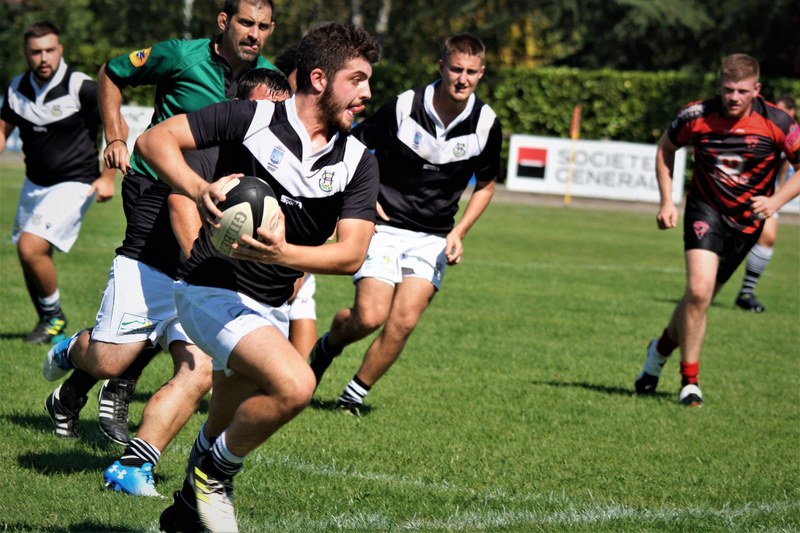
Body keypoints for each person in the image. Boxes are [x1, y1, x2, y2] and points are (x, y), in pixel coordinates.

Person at [136, 21, 380, 532]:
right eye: (356, 80)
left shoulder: (358, 162)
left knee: (223, 414)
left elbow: (352, 254)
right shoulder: (251, 117)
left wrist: (282, 253)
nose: (367, 93)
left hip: (269, 305)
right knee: (296, 385)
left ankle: (183, 511)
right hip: (210, 287)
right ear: (319, 78)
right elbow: (155, 141)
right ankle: (214, 475)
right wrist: (198, 187)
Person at [42, 0, 278, 496]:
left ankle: (133, 466)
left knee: (199, 365)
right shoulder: (180, 55)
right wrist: (116, 132)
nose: (254, 34)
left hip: (217, 213)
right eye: (245, 23)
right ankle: (81, 352)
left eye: (263, 26)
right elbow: (110, 72)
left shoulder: (271, 83)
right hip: (155, 194)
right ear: (224, 22)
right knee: (112, 355)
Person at [308, 33, 502, 417]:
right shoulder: (405, 105)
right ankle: (329, 345)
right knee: (370, 316)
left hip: (432, 237)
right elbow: (354, 145)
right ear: (441, 67)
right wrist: (365, 198)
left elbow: (486, 184)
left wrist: (459, 232)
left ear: (481, 73)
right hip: (383, 227)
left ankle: (353, 396)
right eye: (456, 69)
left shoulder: (485, 123)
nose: (462, 79)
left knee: (404, 320)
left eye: (471, 72)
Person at [635, 54, 800, 407]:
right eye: (727, 90)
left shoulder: (779, 122)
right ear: (718, 87)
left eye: (742, 91)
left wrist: (775, 202)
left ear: (756, 90)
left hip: (747, 223)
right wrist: (667, 201)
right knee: (697, 291)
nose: (734, 97)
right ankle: (689, 382)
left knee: (700, 300)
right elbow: (665, 149)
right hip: (704, 212)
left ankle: (658, 351)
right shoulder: (695, 115)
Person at [0, 21, 117, 344]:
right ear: (27, 53)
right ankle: (47, 320)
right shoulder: (16, 88)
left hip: (76, 182)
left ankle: (55, 317)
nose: (43, 57)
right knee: (30, 255)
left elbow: (114, 123)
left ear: (60, 49)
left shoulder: (80, 86)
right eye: (36, 51)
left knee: (30, 246)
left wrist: (108, 177)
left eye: (50, 50)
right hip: (33, 183)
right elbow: (2, 129)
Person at [734, 94, 798, 312]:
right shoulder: (760, 126)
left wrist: (778, 196)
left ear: (792, 114)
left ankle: (746, 291)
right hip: (740, 191)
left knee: (768, 237)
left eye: (780, 111)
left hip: (767, 197)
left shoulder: (789, 133)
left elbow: (787, 165)